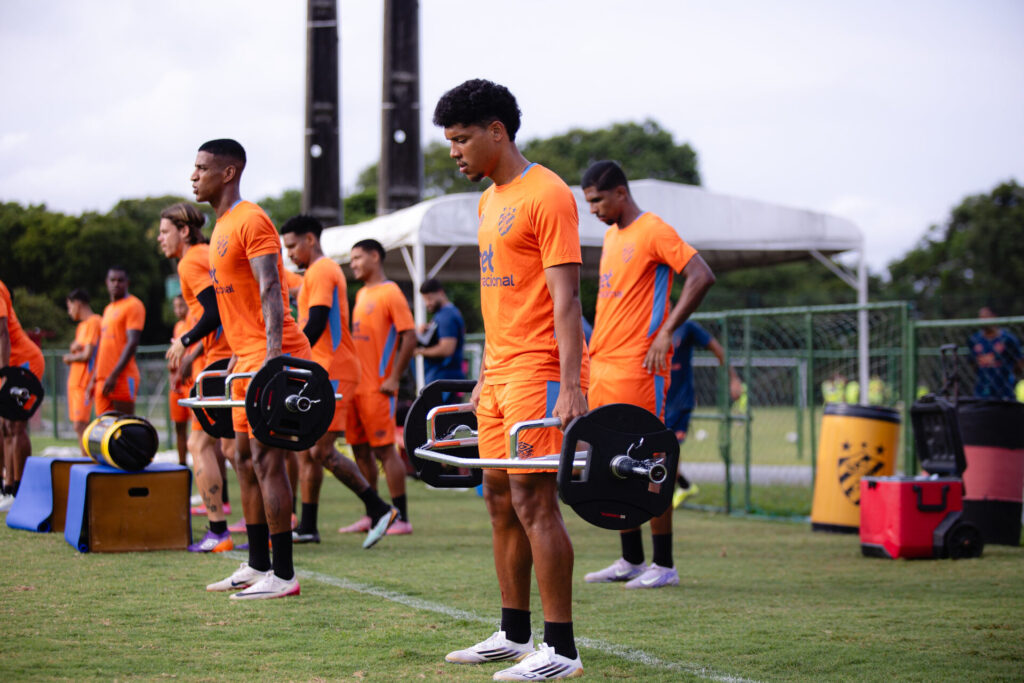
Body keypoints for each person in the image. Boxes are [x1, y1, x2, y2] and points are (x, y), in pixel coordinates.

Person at [433, 79, 588, 680]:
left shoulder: (547, 194)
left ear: (497, 131)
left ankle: (563, 650)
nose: (455, 152)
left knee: (533, 500)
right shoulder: (489, 200)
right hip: (499, 373)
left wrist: (571, 383)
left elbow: (567, 298)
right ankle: (513, 631)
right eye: (450, 141)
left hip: (540, 372)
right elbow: (503, 297)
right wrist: (483, 372)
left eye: (463, 139)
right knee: (497, 497)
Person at [579, 160, 715, 590]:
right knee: (613, 462)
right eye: (589, 203)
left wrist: (668, 331)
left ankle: (665, 564)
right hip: (603, 366)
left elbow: (701, 274)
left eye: (598, 200)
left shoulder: (653, 229)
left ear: (621, 192)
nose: (594, 209)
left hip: (639, 369)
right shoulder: (609, 236)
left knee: (649, 460)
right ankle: (631, 560)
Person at [188, 138, 312, 598]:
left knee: (266, 460)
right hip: (246, 356)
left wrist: (275, 357)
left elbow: (271, 291)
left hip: (273, 354)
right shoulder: (220, 227)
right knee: (239, 457)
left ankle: (284, 574)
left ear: (228, 172)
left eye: (201, 168)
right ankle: (257, 563)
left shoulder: (251, 219)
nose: (193, 176)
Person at [280, 215, 398, 547]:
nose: (289, 253)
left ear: (310, 240)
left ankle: (381, 508)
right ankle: (308, 526)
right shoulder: (313, 274)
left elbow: (316, 322)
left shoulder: (322, 270)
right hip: (320, 369)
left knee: (321, 450)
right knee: (307, 451)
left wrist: (287, 361)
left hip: (333, 371)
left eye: (291, 246)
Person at [159, 201, 236, 553]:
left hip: (221, 362)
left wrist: (185, 341)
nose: (160, 239)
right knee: (236, 449)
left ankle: (218, 531)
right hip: (227, 358)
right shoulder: (206, 253)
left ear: (184, 231)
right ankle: (261, 527)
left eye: (164, 232)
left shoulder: (190, 259)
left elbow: (215, 312)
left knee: (199, 444)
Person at [338, 239, 417, 536]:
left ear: (375, 256)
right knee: (359, 450)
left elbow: (409, 336)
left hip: (379, 387)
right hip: (356, 388)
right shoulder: (360, 295)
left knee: (385, 450)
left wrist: (395, 377)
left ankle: (402, 517)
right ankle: (374, 514)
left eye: (358, 258)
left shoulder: (391, 292)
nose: (354, 264)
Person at [665, 321, 744, 508]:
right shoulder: (649, 324)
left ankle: (672, 492)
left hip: (680, 401)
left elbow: (718, 349)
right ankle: (684, 486)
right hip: (657, 397)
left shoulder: (686, 327)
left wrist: (734, 378)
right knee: (660, 452)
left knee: (666, 450)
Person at [0, 279, 46, 513]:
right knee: (5, 427)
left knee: (16, 426)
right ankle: (8, 487)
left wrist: (4, 374)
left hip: (23, 362)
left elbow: (3, 334)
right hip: (8, 364)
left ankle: (20, 489)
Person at [88, 267, 144, 416]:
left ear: (127, 283)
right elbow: (102, 347)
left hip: (121, 377)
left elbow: (132, 343)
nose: (116, 284)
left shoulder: (133, 305)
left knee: (125, 429)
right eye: (112, 280)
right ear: (106, 282)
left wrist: (114, 375)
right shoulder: (107, 309)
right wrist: (93, 379)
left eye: (120, 280)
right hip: (102, 379)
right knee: (103, 431)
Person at [63, 288, 102, 439]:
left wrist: (70, 357)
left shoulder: (94, 321)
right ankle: (85, 459)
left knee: (81, 425)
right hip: (75, 381)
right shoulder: (81, 327)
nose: (69, 311)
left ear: (78, 303)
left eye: (69, 306)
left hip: (85, 381)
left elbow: (87, 354)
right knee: (78, 426)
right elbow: (76, 346)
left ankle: (87, 461)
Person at [415, 278, 466, 392]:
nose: (427, 303)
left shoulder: (446, 315)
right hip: (443, 379)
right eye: (425, 299)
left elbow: (447, 349)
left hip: (445, 381)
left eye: (430, 298)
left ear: (441, 293)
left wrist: (419, 351)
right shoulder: (446, 313)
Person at [969, 307, 1023, 399]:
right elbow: (973, 363)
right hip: (982, 391)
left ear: (994, 317)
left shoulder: (1008, 339)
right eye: (980, 317)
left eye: (986, 317)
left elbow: (1019, 363)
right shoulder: (974, 339)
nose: (982, 320)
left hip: (1005, 390)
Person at [168, 295, 194, 467]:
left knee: (198, 429)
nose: (178, 310)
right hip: (178, 383)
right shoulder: (178, 326)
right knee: (179, 425)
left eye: (181, 305)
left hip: (191, 380)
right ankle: (181, 464)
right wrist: (172, 373)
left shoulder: (193, 320)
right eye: (175, 306)